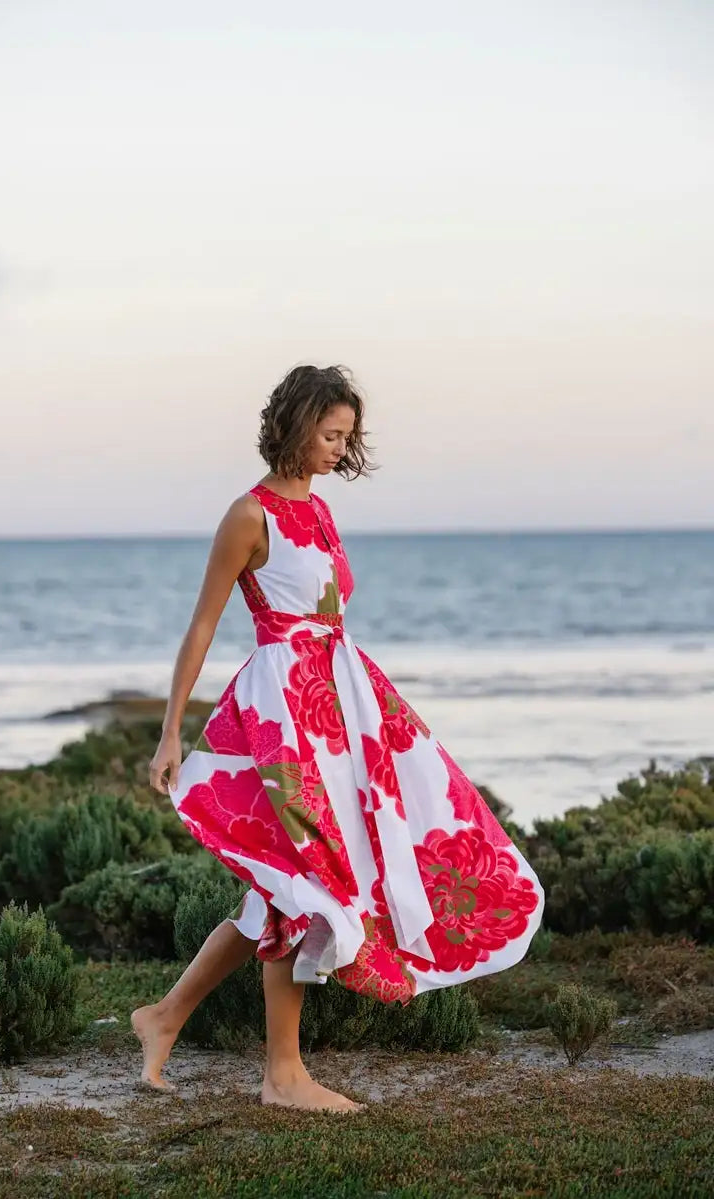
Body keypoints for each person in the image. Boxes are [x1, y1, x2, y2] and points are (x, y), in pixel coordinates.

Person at [132, 363, 545, 1111]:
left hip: (342, 706)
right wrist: (170, 733)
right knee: (308, 884)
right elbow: (202, 625)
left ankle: (162, 1017)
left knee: (284, 887)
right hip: (284, 713)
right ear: (293, 426)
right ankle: (282, 1075)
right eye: (329, 434)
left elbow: (329, 614)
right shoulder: (247, 515)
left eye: (346, 437)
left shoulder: (320, 511)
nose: (337, 449)